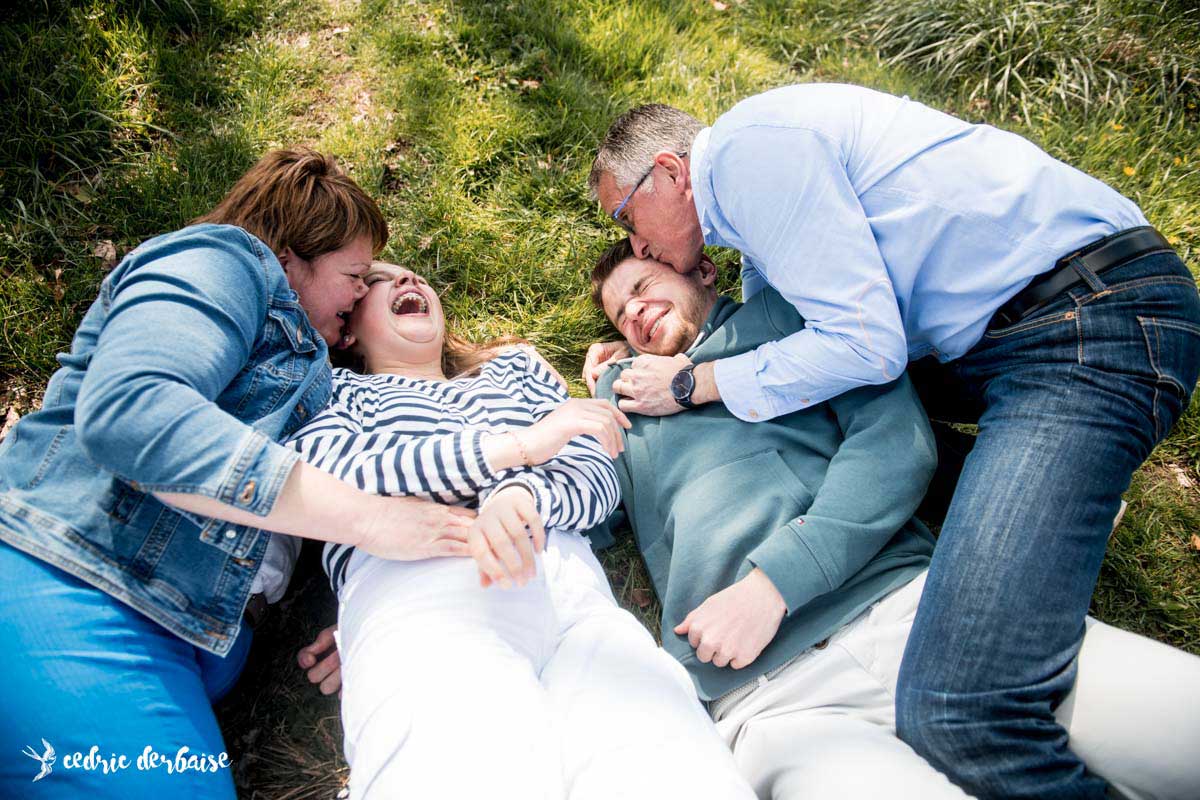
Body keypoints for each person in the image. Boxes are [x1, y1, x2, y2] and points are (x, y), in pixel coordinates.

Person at [583, 85, 1200, 798]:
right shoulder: (758, 282)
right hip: (786, 692)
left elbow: (866, 360)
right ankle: (1048, 501)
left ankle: (1052, 494)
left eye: (629, 223)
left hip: (1083, 323)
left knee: (972, 713)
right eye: (617, 311)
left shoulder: (752, 156)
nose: (634, 250)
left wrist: (692, 384)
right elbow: (587, 492)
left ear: (671, 170)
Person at [0, 149, 478, 800]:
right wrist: (375, 520)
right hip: (74, 579)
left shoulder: (323, 381)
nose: (363, 294)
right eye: (356, 275)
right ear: (290, 256)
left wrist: (388, 613)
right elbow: (132, 412)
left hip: (164, 636)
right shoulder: (223, 260)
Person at [283, 261, 755, 800]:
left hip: (572, 588)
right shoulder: (334, 392)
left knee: (671, 763)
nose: (409, 282)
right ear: (346, 326)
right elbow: (330, 476)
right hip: (424, 587)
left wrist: (526, 495)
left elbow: (597, 463)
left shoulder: (512, 371)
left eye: (415, 275)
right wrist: (515, 454)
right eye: (381, 281)